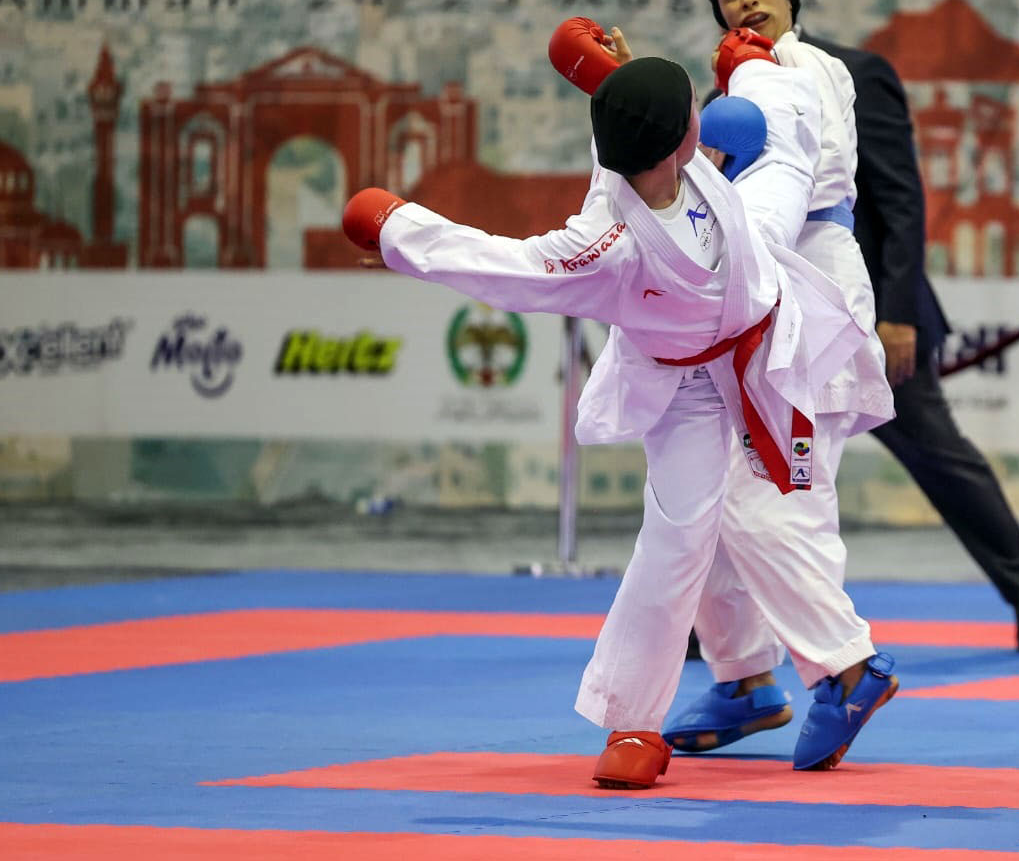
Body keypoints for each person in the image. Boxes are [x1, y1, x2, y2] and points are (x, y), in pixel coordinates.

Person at [343, 48, 874, 789]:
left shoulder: (655, 161)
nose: (703, 117)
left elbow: (636, 135)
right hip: (687, 388)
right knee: (676, 543)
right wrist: (398, 233)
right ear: (682, 138)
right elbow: (505, 266)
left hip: (755, 296)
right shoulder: (607, 244)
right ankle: (634, 721)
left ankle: (770, 677)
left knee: (782, 152)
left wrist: (635, 79)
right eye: (693, 110)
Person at [691, 0, 1019, 666]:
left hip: (862, 309)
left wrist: (896, 314)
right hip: (768, 317)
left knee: (938, 458)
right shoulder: (724, 103)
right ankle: (715, 634)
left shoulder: (848, 72)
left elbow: (899, 199)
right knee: (738, 466)